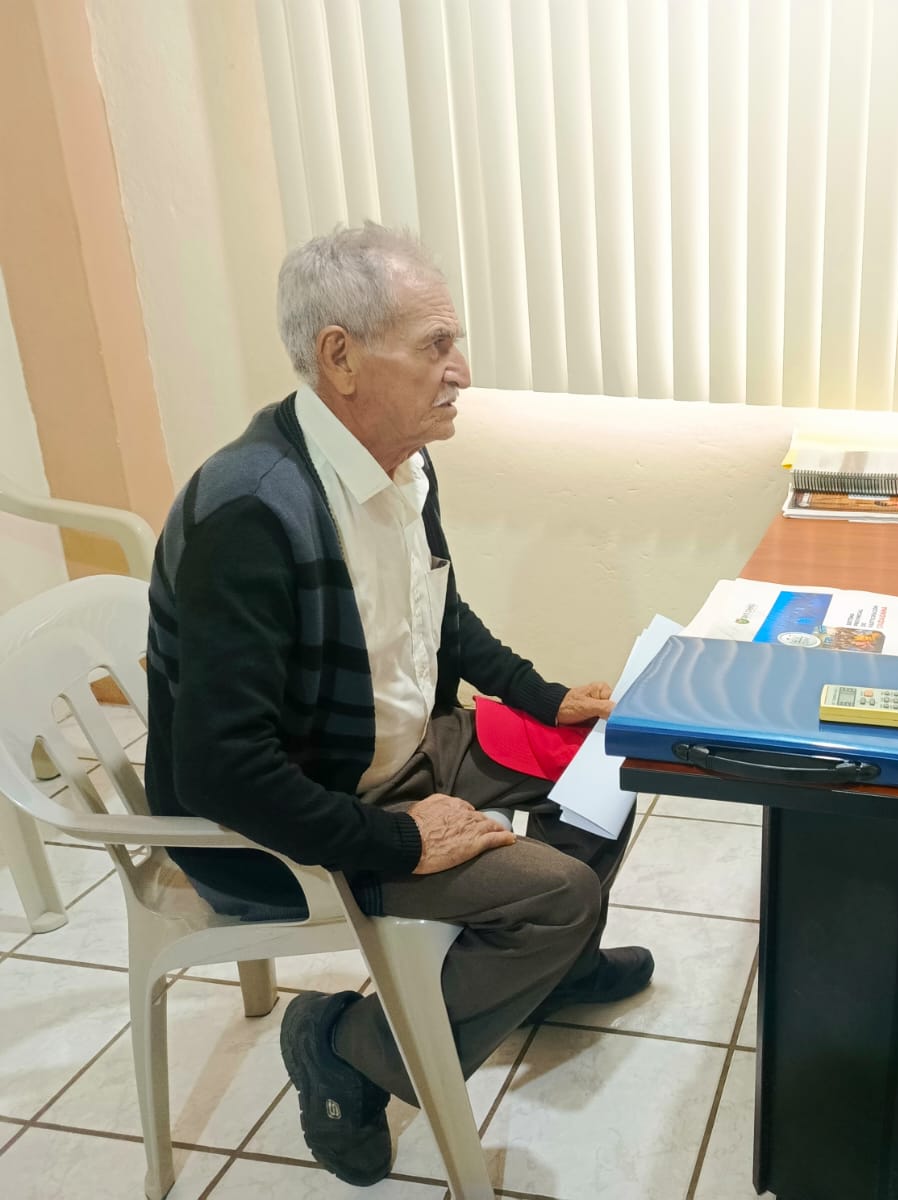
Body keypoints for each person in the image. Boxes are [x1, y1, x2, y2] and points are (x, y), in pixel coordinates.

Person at [145, 223, 653, 1185]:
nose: (462, 371)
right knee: (559, 897)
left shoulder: (401, 460)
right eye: (436, 346)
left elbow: (439, 613)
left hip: (397, 746)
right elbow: (220, 771)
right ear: (340, 357)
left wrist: (546, 699)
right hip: (289, 820)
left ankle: (550, 970)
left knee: (615, 754)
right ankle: (342, 1048)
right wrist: (398, 841)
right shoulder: (250, 510)